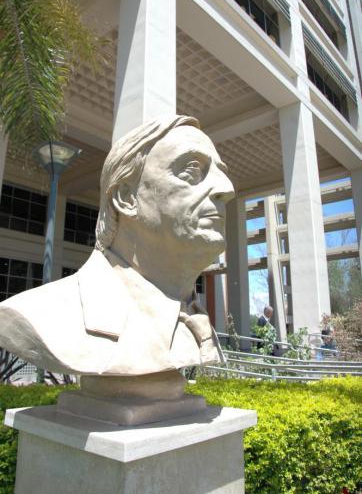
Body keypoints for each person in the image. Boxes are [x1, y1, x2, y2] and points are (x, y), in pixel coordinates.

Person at [0, 115, 235, 376]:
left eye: (221, 173)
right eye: (191, 170)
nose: (227, 188)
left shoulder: (194, 314)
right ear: (126, 197)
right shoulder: (40, 315)